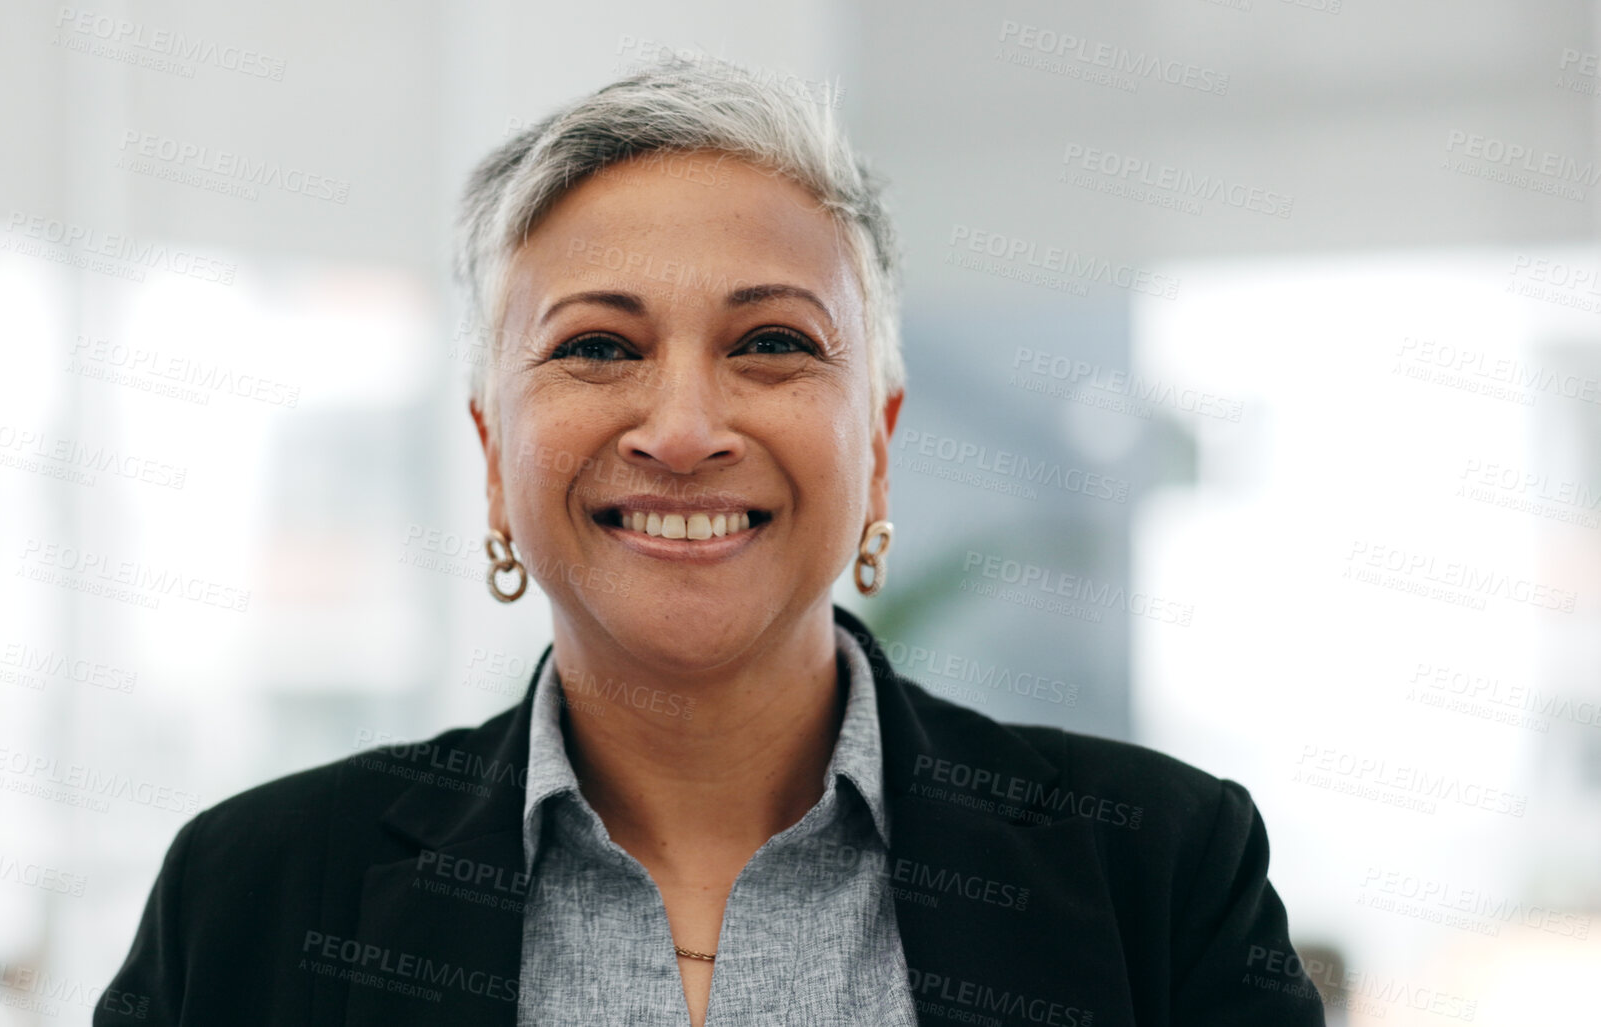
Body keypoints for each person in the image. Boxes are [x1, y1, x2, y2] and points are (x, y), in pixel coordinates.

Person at [95, 58, 1325, 1027]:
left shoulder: (1159, 874)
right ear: (492, 455)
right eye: (598, 347)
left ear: (879, 445)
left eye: (772, 343)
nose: (682, 431)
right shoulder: (250, 895)